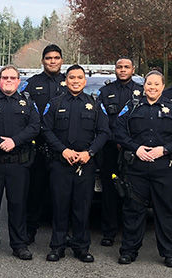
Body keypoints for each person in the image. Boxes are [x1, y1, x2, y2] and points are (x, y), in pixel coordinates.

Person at [113, 70, 172, 267]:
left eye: (157, 84)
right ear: (144, 86)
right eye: (149, 84)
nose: (152, 87)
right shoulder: (132, 106)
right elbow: (118, 129)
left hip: (164, 167)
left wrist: (165, 149)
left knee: (165, 211)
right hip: (136, 167)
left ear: (163, 87)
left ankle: (169, 253)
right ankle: (129, 251)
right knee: (133, 210)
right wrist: (135, 147)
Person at [42, 64, 110, 263]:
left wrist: (90, 153)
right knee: (60, 207)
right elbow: (45, 130)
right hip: (60, 164)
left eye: (79, 78)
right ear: (66, 80)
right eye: (72, 77)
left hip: (85, 165)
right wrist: (63, 150)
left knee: (82, 208)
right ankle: (57, 246)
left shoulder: (95, 104)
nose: (75, 81)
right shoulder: (55, 103)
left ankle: (82, 247)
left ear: (84, 81)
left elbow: (104, 132)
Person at [0, 65, 40, 260]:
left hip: (18, 164)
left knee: (18, 205)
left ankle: (19, 244)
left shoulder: (27, 103)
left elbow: (35, 126)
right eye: (5, 78)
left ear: (19, 82)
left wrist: (15, 141)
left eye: (13, 78)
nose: (9, 81)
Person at [23, 44, 68, 244]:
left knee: (62, 195)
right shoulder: (32, 84)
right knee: (34, 192)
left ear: (61, 60)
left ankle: (63, 234)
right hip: (39, 147)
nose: (52, 61)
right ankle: (29, 231)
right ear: (42, 61)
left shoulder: (70, 82)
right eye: (48, 58)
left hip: (62, 148)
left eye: (56, 57)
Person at [97, 58, 143, 247]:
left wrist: (129, 143)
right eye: (119, 67)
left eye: (126, 67)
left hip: (133, 150)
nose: (123, 70)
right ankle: (109, 232)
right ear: (115, 70)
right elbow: (100, 120)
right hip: (110, 149)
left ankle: (129, 232)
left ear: (133, 69)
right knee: (109, 192)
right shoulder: (105, 92)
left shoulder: (141, 92)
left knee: (133, 193)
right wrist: (116, 141)